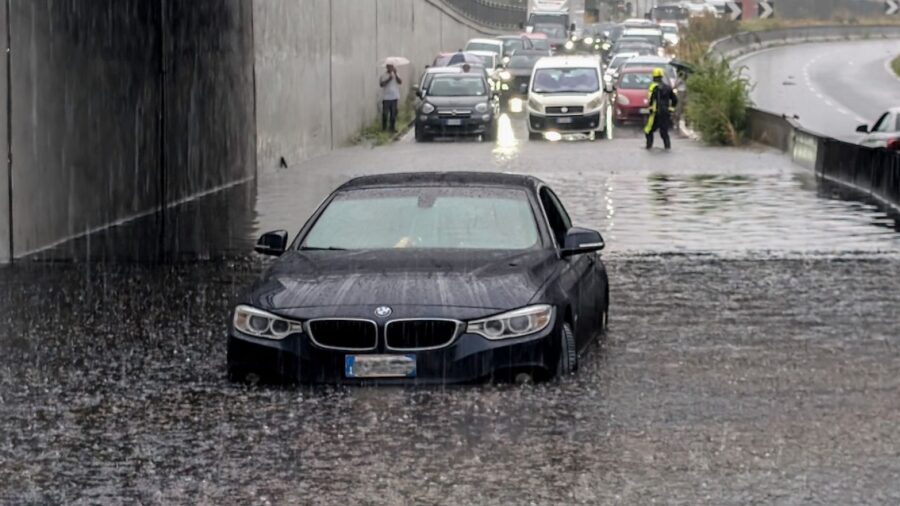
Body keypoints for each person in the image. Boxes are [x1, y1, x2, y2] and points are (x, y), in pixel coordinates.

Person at [644, 67, 678, 150]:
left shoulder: (653, 87)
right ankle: (667, 147)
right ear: (662, 77)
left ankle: (649, 146)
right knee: (664, 132)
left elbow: (650, 99)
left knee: (648, 130)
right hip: (665, 112)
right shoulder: (668, 87)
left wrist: (650, 108)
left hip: (655, 112)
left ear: (653, 77)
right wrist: (671, 109)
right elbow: (675, 99)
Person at [379, 64, 402, 132]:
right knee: (385, 114)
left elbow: (400, 82)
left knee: (393, 114)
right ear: (387, 67)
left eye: (392, 66)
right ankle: (384, 128)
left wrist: (395, 74)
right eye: (389, 67)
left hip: (394, 97)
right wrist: (389, 79)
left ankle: (392, 128)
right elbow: (381, 84)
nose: (391, 68)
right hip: (386, 97)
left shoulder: (396, 74)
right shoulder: (383, 75)